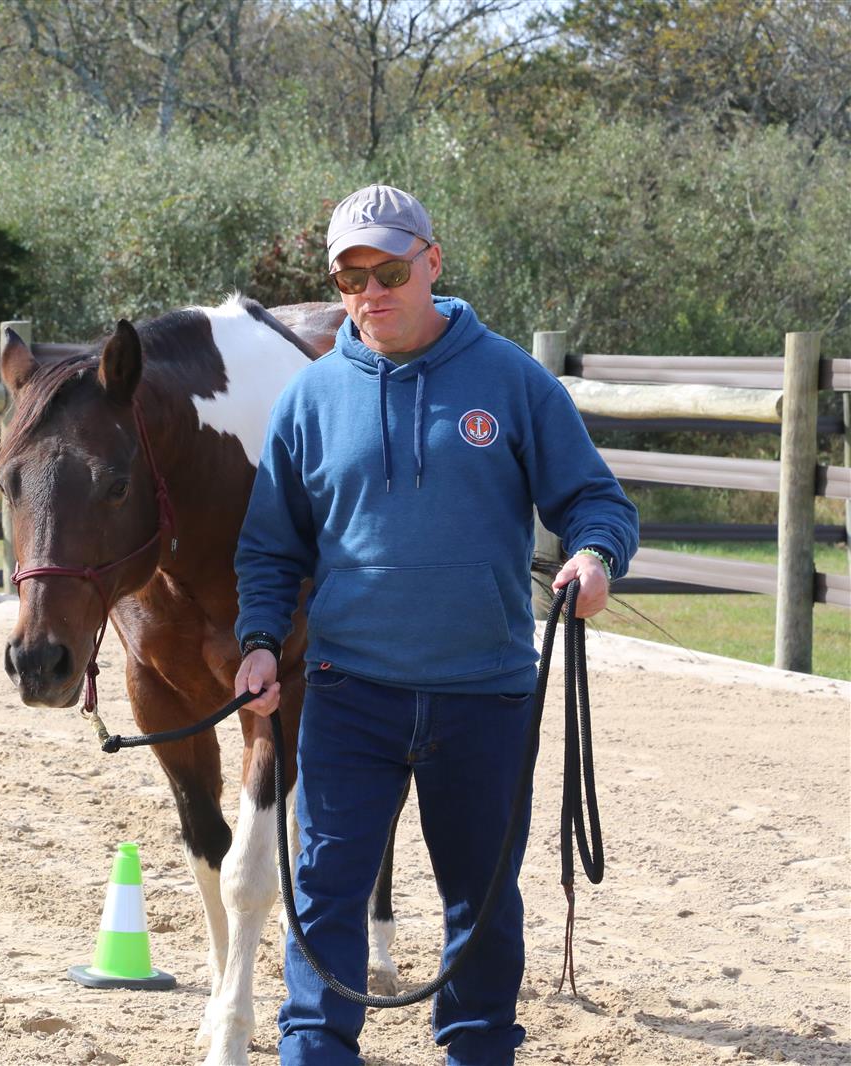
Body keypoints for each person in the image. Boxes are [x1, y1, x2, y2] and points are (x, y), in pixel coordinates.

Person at [233, 184, 638, 1066]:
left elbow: (596, 500)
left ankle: (478, 1051)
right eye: (350, 279)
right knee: (325, 895)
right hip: (348, 693)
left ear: (432, 262)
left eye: (389, 271)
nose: (371, 292)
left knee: (481, 906)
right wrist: (259, 641)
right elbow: (269, 549)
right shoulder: (309, 400)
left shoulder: (513, 381)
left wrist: (596, 555)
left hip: (485, 696)